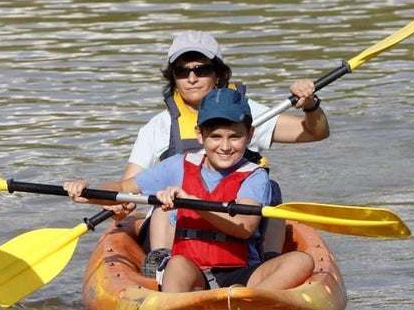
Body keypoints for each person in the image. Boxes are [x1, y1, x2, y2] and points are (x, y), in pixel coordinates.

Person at [65, 88, 315, 294]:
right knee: (176, 264)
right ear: (200, 135)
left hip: (242, 272)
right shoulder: (177, 165)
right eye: (215, 137)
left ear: (249, 135)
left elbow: (243, 226)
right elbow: (122, 188)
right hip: (190, 270)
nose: (225, 146)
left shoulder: (254, 175)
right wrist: (88, 192)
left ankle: (248, 300)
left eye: (234, 137)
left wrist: (192, 202)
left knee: (302, 261)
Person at [124, 30, 329, 274]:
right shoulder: (157, 127)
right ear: (173, 78)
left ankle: (269, 259)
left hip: (238, 220)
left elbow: (314, 132)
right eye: (182, 72)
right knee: (167, 193)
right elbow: (127, 187)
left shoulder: (246, 113)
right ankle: (161, 261)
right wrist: (118, 204)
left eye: (201, 70)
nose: (192, 78)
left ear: (218, 73)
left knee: (270, 188)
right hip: (177, 226)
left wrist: (310, 105)